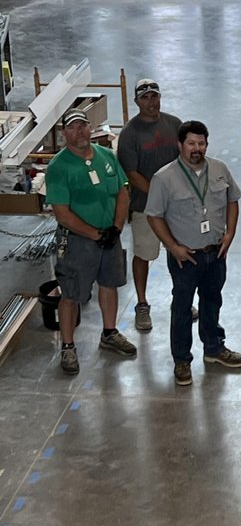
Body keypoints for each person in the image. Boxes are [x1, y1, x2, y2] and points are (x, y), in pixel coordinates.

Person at [146, 120, 241, 386]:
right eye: (191, 143)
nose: (196, 148)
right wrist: (173, 247)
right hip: (185, 257)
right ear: (180, 145)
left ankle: (214, 348)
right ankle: (181, 360)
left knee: (212, 301)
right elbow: (154, 216)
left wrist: (230, 233)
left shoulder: (219, 170)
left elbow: (232, 199)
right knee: (182, 308)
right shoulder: (164, 178)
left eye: (201, 143)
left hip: (216, 253)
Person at [46, 109, 136, 376]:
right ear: (64, 134)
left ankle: (109, 333)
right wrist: (96, 234)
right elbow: (62, 213)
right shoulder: (59, 167)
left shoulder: (106, 156)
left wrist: (116, 228)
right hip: (78, 242)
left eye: (83, 126)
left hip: (110, 235)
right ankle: (68, 346)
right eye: (73, 128)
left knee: (109, 284)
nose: (80, 131)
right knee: (72, 294)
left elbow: (123, 192)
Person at [116, 78, 182, 332]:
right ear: (136, 102)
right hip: (145, 206)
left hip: (175, 207)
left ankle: (182, 299)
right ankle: (142, 304)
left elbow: (184, 160)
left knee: (178, 252)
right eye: (145, 98)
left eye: (154, 96)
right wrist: (158, 196)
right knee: (143, 254)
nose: (151, 102)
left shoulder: (174, 124)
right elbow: (132, 174)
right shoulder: (130, 134)